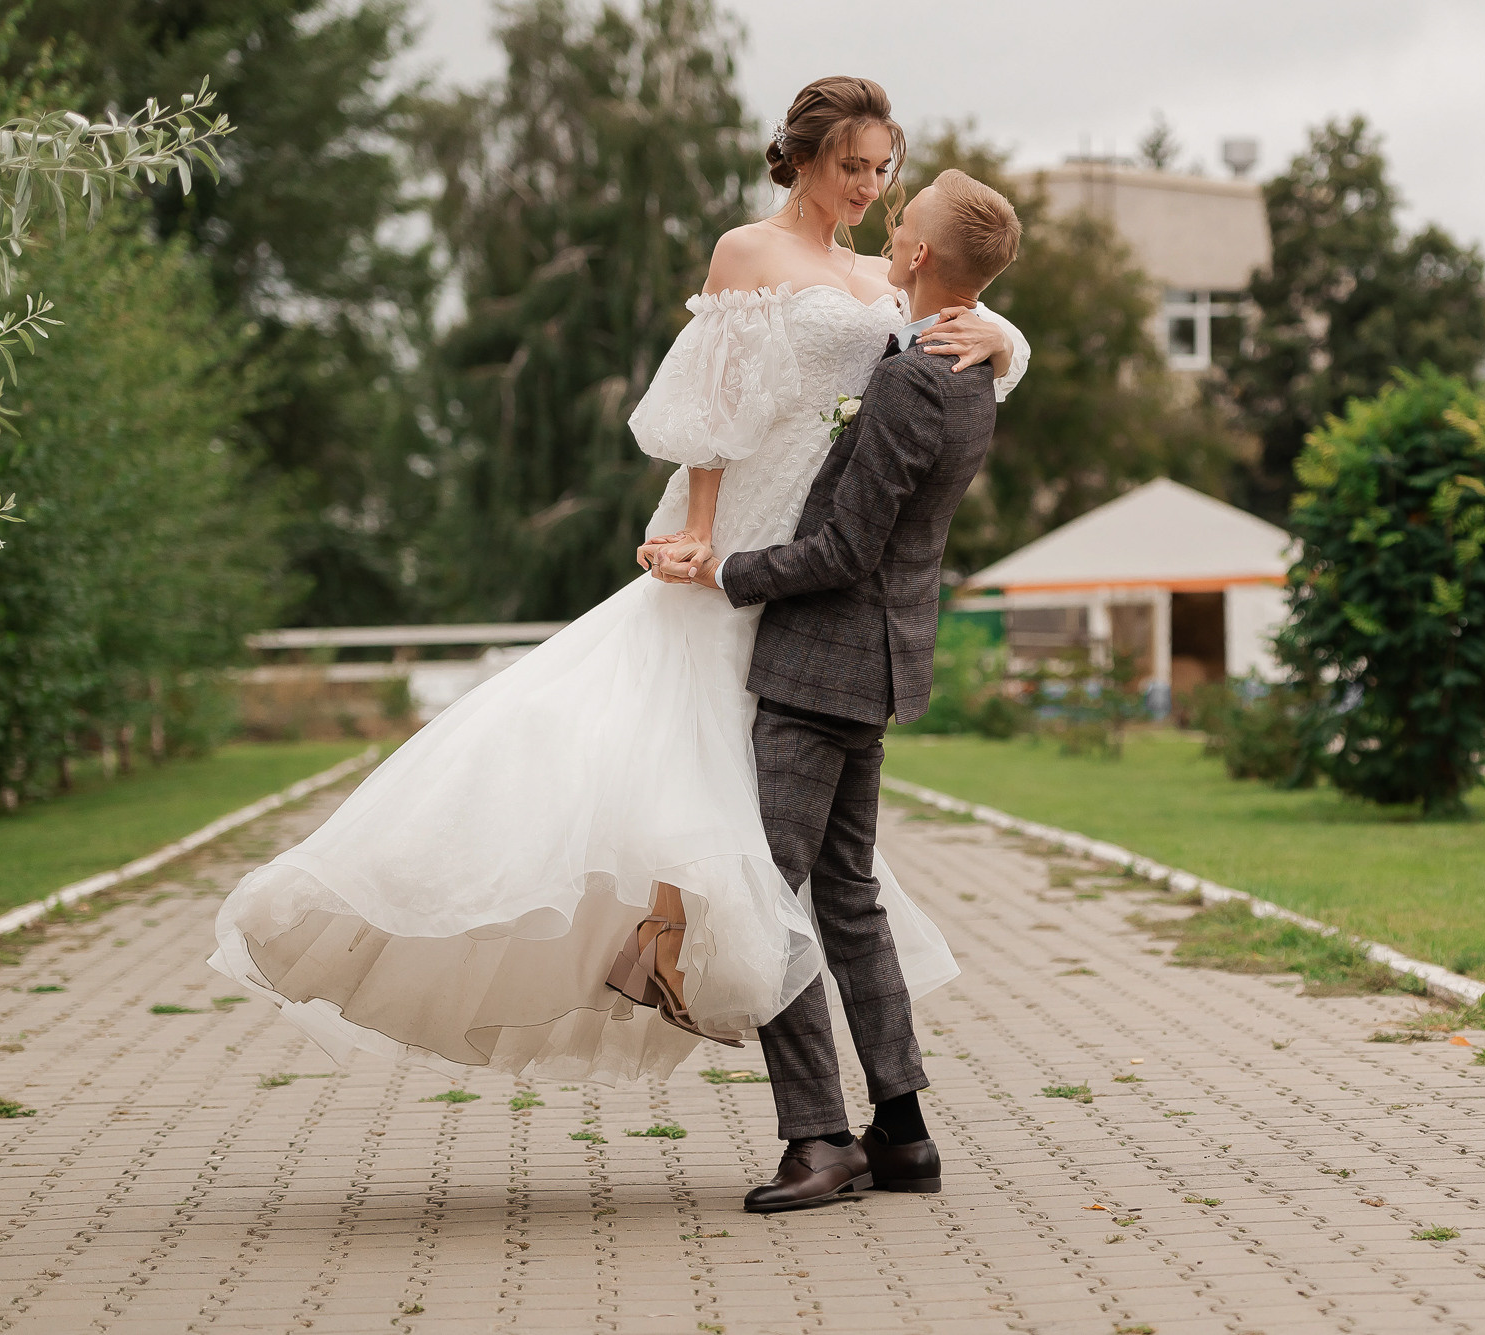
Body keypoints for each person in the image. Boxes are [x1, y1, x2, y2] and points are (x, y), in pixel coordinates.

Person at [207, 77, 1027, 1094]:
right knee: (689, 783)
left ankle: (700, 980)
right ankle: (718, 1006)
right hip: (746, 543)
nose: (867, 186)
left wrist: (1002, 337)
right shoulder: (748, 252)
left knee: (764, 828)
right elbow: (712, 409)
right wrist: (699, 538)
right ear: (805, 157)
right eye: (850, 165)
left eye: (880, 169)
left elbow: (955, 322)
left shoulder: (882, 273)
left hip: (816, 574)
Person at [651, 168, 1020, 1213]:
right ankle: (901, 1132)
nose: (888, 220)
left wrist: (723, 571)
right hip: (877, 664)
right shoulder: (968, 372)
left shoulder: (910, 383)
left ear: (918, 255)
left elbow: (845, 549)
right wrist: (1002, 337)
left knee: (766, 896)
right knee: (847, 898)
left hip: (821, 662)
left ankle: (817, 1137)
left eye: (904, 216)